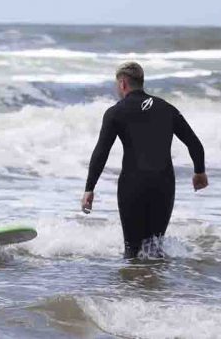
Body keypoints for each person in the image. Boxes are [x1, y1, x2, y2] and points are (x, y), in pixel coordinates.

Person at [81, 61, 209, 258]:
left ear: (123, 84)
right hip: (163, 184)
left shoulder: (116, 112)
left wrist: (90, 188)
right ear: (141, 82)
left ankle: (134, 287)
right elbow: (195, 144)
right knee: (154, 247)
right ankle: (155, 287)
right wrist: (199, 172)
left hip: (133, 184)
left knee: (132, 249)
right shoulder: (167, 108)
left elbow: (101, 152)